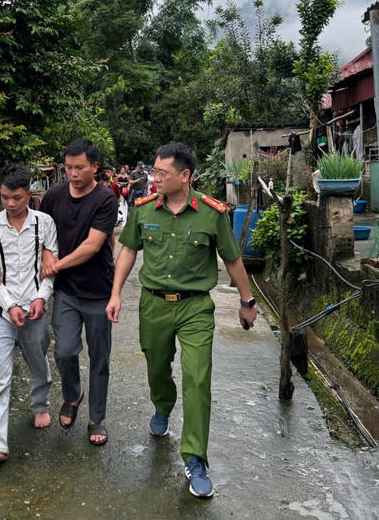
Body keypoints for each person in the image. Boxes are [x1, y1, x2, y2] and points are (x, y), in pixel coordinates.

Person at [108, 142, 258, 499]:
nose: (154, 178)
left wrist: (247, 300)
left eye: (162, 173)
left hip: (195, 308)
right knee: (157, 366)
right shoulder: (144, 209)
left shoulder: (212, 213)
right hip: (154, 305)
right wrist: (115, 293)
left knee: (197, 379)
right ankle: (162, 404)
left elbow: (232, 258)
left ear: (185, 175)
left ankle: (194, 457)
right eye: (154, 172)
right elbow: (128, 250)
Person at [0, 163, 59, 466]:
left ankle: (40, 403)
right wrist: (9, 305)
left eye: (17, 198)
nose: (10, 203)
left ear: (29, 193)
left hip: (35, 309)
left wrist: (41, 298)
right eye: (4, 197)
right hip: (0, 312)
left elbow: (50, 267)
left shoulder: (44, 223)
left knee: (38, 360)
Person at [39, 138, 118, 445]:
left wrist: (56, 265)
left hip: (98, 291)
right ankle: (73, 395)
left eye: (80, 168)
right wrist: (48, 256)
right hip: (67, 292)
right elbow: (44, 233)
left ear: (94, 167)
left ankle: (97, 418)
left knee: (100, 358)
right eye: (69, 167)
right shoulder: (53, 196)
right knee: (64, 351)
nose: (73, 174)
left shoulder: (105, 199)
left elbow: (93, 245)